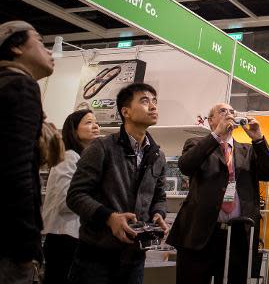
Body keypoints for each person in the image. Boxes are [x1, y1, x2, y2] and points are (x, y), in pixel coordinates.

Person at [67, 83, 168, 284]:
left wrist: (159, 214)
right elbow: (76, 196)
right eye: (145, 101)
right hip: (96, 256)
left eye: (155, 101)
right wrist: (109, 217)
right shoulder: (102, 147)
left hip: (135, 257)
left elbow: (159, 196)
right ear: (126, 112)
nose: (153, 106)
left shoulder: (157, 155)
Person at [167, 103, 269, 284]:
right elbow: (186, 166)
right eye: (223, 111)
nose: (229, 114)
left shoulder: (248, 151)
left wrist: (258, 139)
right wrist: (216, 135)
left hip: (238, 237)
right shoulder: (196, 144)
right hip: (200, 235)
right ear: (211, 121)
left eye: (232, 111)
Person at [0, 20, 55, 283]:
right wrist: (27, 242)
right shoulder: (21, 86)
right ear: (16, 47)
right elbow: (16, 170)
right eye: (41, 42)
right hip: (8, 239)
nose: (50, 52)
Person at [42, 109, 101, 284]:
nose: (95, 126)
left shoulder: (82, 158)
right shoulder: (69, 157)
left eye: (96, 122)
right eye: (88, 122)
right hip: (63, 238)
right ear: (74, 130)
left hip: (74, 237)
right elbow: (65, 202)